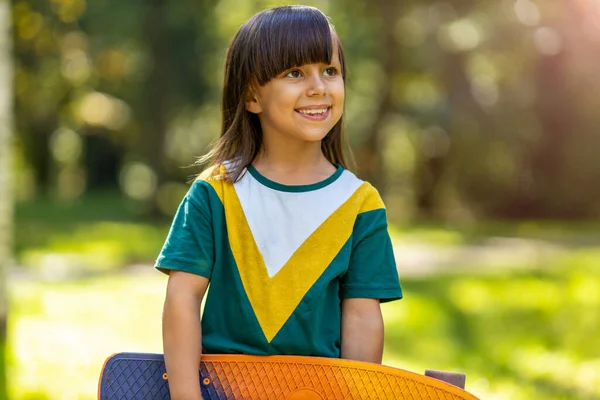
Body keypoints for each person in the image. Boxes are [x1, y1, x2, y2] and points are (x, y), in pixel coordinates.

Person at [155, 5, 403, 400]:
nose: (319, 87)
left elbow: (361, 316)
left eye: (330, 71)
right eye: (294, 73)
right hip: (221, 391)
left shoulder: (361, 204)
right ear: (252, 95)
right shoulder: (215, 193)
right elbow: (182, 299)